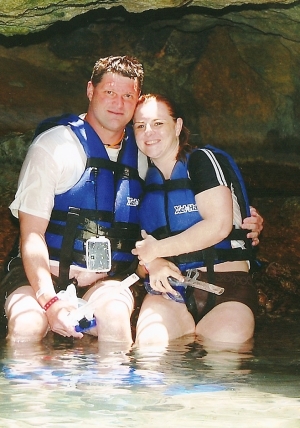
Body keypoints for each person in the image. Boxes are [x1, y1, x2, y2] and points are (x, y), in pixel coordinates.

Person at [1, 57, 263, 345]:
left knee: (113, 320)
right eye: (109, 92)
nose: (118, 103)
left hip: (103, 282)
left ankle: (107, 390)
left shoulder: (142, 155)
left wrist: (243, 217)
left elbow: (163, 215)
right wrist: (49, 301)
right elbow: (31, 234)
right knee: (27, 325)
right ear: (91, 91)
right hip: (40, 278)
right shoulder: (54, 146)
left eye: (127, 96)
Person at [132, 93, 260, 347]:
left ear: (178, 126)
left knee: (222, 358)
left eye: (158, 123)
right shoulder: (142, 182)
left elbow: (219, 226)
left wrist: (157, 250)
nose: (149, 132)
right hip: (170, 291)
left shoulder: (203, 161)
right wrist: (153, 261)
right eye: (140, 125)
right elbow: (138, 259)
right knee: (149, 353)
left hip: (227, 288)